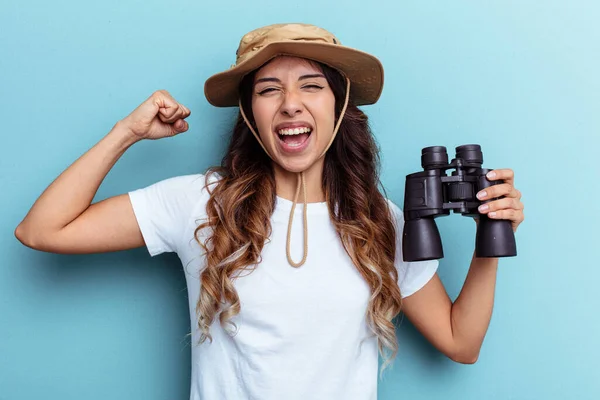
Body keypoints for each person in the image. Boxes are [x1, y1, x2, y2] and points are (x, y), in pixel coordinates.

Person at [14, 23, 525, 400]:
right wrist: (127, 131)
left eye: (310, 85)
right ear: (250, 113)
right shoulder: (204, 202)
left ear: (339, 106)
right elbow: (42, 230)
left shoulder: (380, 220)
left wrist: (490, 238)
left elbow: (461, 342)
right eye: (268, 90)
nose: (290, 104)